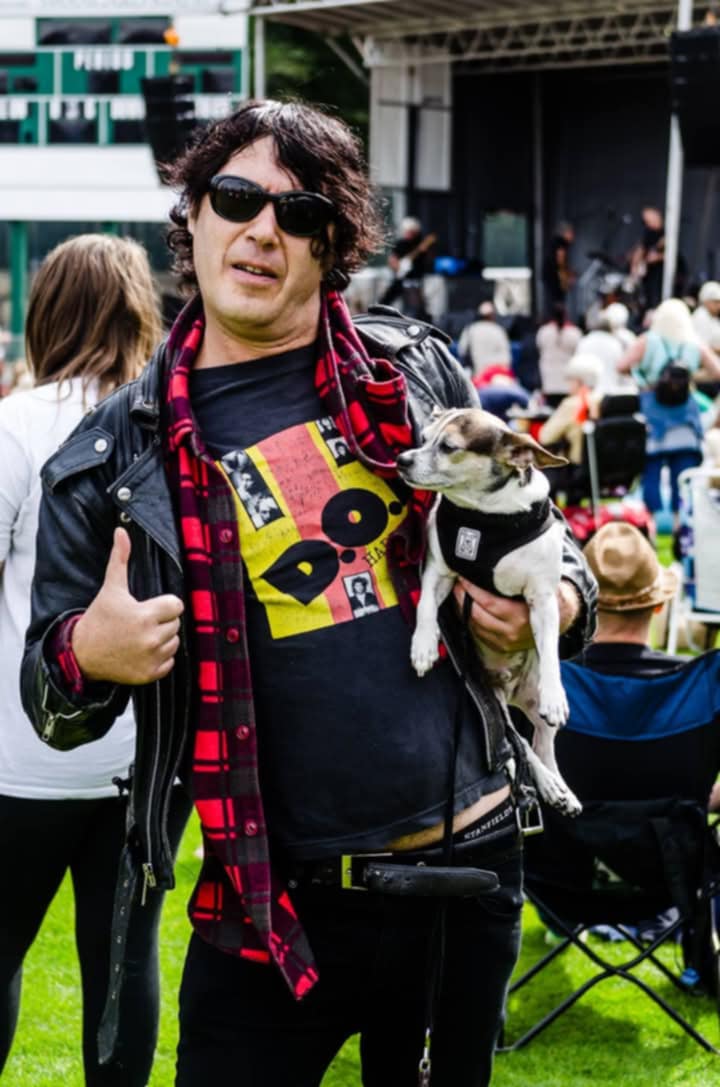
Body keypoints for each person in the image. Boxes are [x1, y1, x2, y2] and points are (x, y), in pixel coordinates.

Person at [20, 100, 597, 1087]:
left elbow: (542, 528)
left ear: (333, 244)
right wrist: (88, 655)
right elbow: (50, 694)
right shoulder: (109, 457)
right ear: (191, 215)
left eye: (299, 213)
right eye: (235, 197)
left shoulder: (412, 369)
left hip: (466, 869)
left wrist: (571, 602)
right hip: (265, 899)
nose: (261, 230)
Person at [0, 234, 191, 1086]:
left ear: (45, 315)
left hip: (23, 757)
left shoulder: (14, 424)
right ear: (138, 313)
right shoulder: (174, 427)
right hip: (149, 761)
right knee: (125, 963)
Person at [617, 297, 720, 534]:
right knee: (683, 474)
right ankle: (679, 525)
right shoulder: (694, 343)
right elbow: (717, 372)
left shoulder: (648, 341)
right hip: (685, 417)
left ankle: (651, 527)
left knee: (651, 472)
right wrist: (692, 376)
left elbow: (621, 366)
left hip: (652, 416)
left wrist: (643, 379)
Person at [539, 352, 604, 467]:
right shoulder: (602, 399)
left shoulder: (571, 404)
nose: (567, 383)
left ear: (579, 380)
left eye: (570, 379)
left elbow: (545, 437)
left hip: (577, 468)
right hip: (603, 467)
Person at [378, 215, 434, 318]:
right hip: (401, 278)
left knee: (417, 304)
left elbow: (429, 261)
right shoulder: (401, 244)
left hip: (415, 279)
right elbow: (392, 260)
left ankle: (422, 318)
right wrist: (398, 267)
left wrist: (425, 252)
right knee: (387, 298)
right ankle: (379, 313)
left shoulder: (421, 243)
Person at [536, 303, 582, 406]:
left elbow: (540, 350)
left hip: (549, 383)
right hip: (568, 383)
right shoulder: (574, 332)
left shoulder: (543, 332)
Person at [457, 300, 512, 380]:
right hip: (496, 377)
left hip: (477, 378)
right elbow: (507, 359)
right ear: (493, 315)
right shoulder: (499, 330)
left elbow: (461, 351)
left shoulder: (470, 330)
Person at [629, 206, 665, 312]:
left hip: (661, 274)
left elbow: (674, 255)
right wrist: (634, 267)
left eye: (648, 219)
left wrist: (658, 257)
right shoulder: (648, 232)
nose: (647, 222)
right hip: (648, 274)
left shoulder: (668, 231)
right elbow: (641, 249)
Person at [541, 221, 575, 308]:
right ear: (565, 233)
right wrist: (567, 277)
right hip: (554, 279)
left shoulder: (556, 243)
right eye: (571, 233)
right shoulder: (561, 244)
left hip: (551, 277)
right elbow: (560, 263)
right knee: (557, 304)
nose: (572, 236)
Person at [691, 280, 720, 352]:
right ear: (706, 301)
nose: (719, 306)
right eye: (716, 302)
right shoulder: (701, 316)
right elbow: (701, 347)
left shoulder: (712, 316)